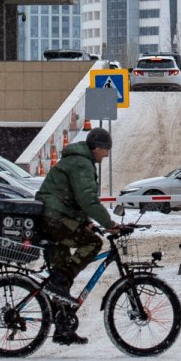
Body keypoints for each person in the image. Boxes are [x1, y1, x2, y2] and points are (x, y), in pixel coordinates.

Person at [34, 127, 123, 345]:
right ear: (97, 148)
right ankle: (59, 281)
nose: (106, 155)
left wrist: (85, 222)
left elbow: (72, 198)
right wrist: (109, 224)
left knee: (62, 272)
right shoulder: (82, 163)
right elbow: (87, 199)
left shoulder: (77, 160)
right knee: (93, 243)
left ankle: (63, 328)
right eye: (106, 150)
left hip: (52, 216)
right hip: (54, 217)